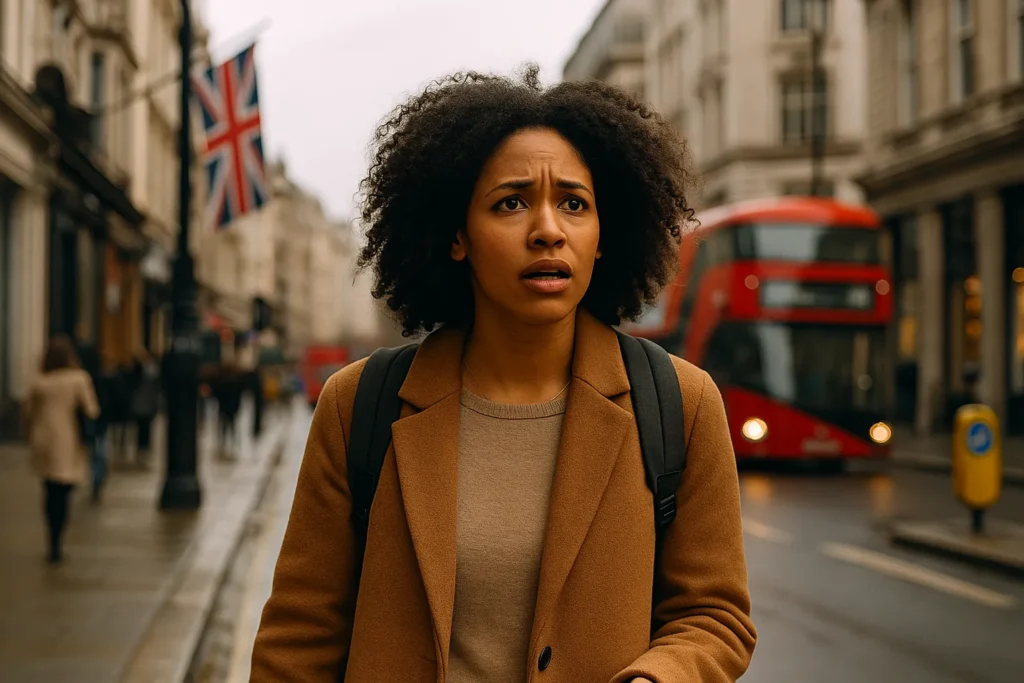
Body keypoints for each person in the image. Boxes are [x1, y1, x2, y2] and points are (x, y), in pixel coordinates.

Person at [251, 67, 756, 682]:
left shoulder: (682, 403)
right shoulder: (358, 404)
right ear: (457, 236)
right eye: (511, 202)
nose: (548, 230)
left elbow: (714, 614)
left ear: (603, 236)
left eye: (574, 204)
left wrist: (660, 679)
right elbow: (298, 641)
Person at [24, 336, 99, 563]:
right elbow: (92, 410)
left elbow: (28, 412)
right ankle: (58, 538)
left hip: (43, 439)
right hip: (68, 439)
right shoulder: (78, 379)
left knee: (49, 487)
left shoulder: (39, 382)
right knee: (64, 488)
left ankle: (52, 537)